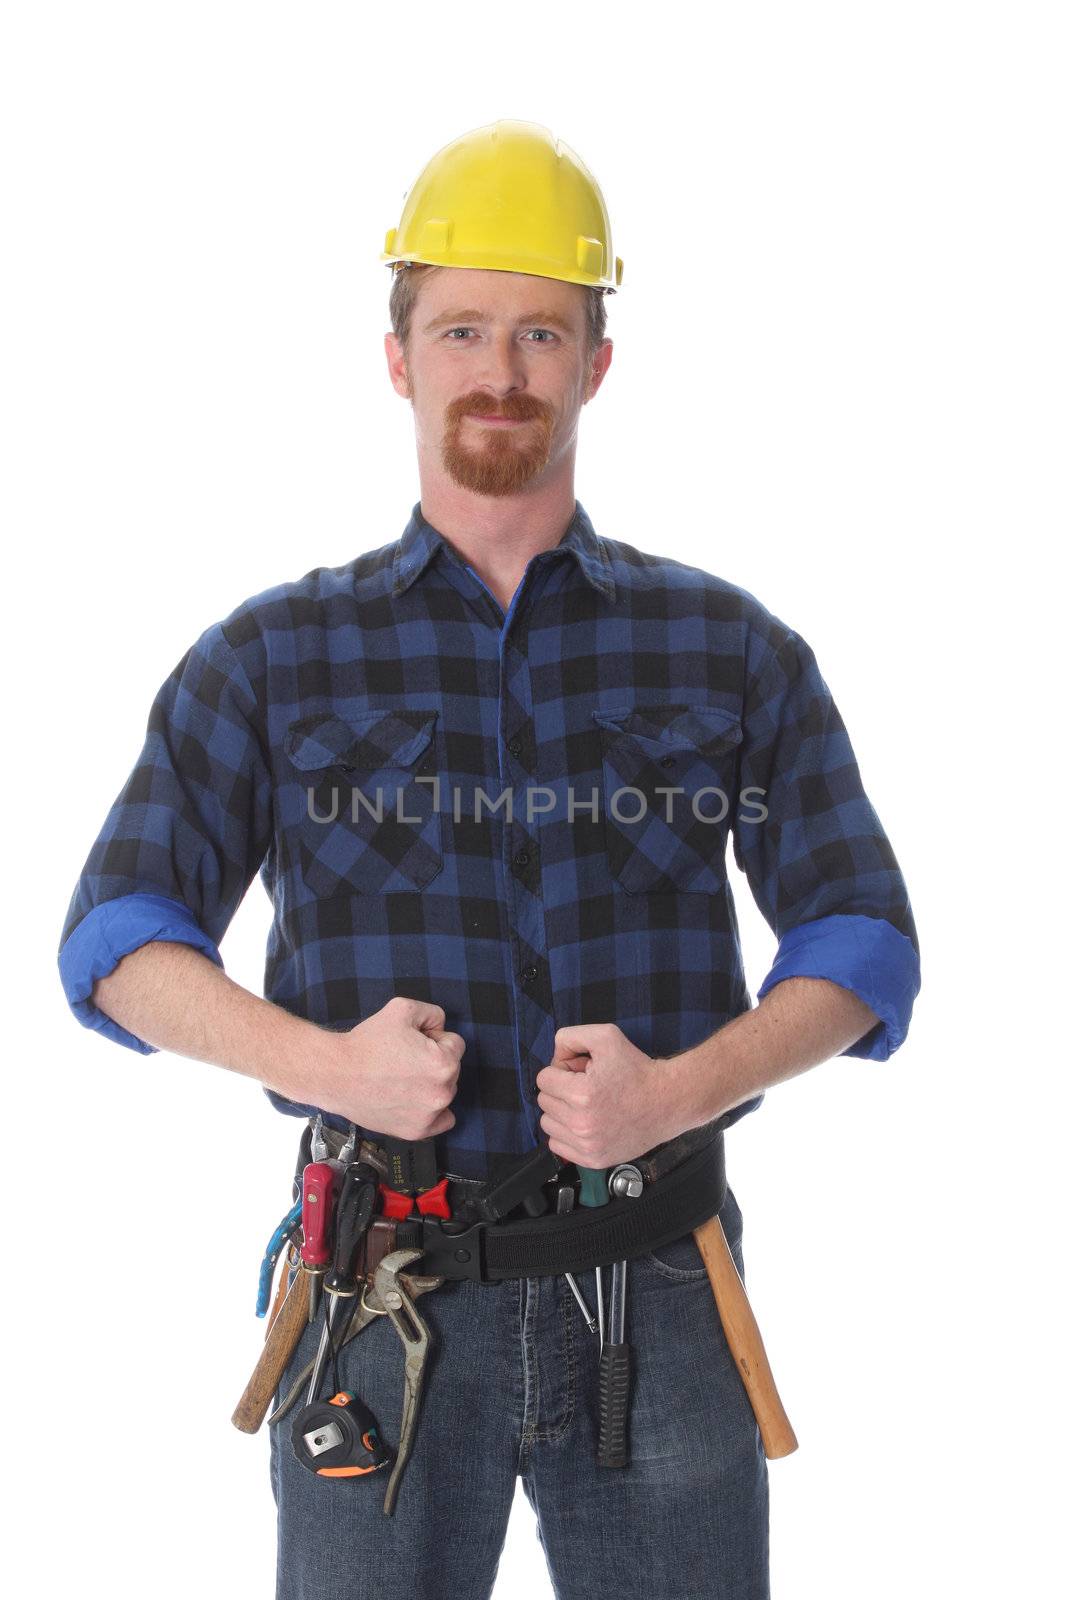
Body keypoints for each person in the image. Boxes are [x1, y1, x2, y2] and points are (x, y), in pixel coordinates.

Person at [58, 119, 920, 1599]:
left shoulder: (727, 650)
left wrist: (678, 1089)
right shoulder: (274, 658)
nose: (500, 368)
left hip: (653, 1286)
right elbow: (117, 939)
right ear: (399, 358)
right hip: (378, 1307)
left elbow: (860, 939)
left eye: (540, 331)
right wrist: (326, 1065)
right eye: (461, 328)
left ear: (596, 363)